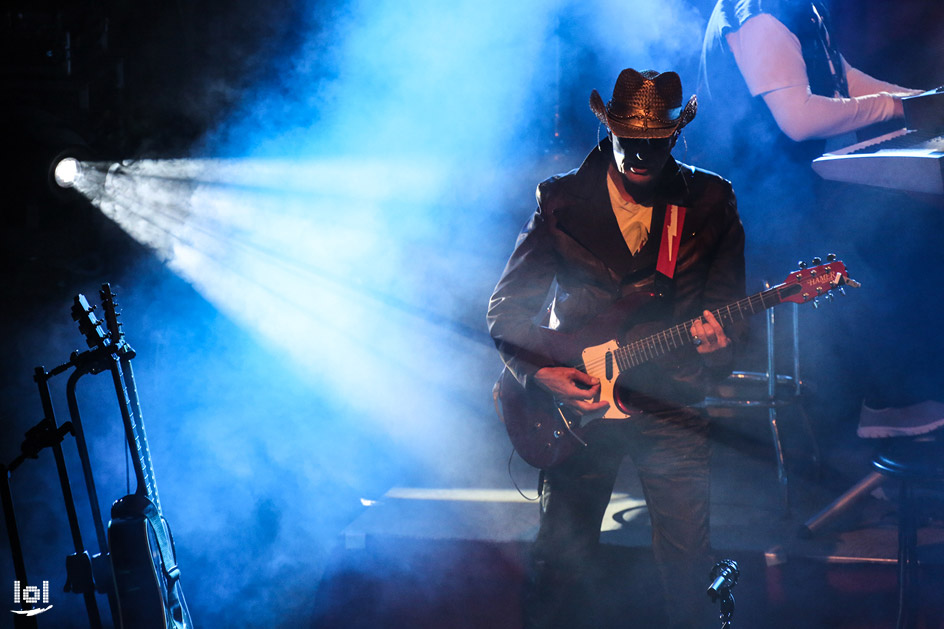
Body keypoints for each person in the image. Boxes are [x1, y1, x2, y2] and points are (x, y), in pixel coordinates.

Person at [486, 68, 747, 629]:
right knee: (562, 558)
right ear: (609, 131)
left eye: (655, 142)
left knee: (687, 568)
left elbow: (730, 318)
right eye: (629, 139)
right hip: (576, 403)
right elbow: (505, 311)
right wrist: (539, 375)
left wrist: (717, 348)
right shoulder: (560, 200)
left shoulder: (708, 201)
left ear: (675, 137)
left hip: (671, 401)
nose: (640, 153)